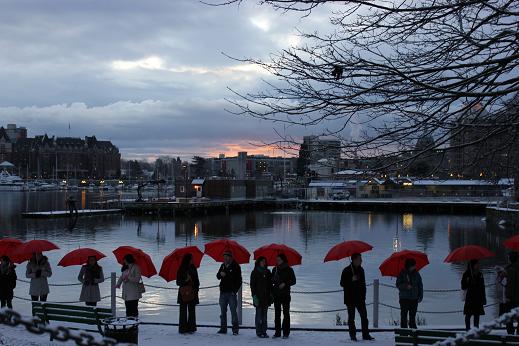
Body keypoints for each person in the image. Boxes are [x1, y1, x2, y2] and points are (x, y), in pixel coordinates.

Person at [340, 253, 374, 341]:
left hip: (360, 298)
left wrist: (364, 296)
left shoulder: (361, 270)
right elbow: (342, 283)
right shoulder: (346, 270)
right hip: (350, 298)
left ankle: (365, 334)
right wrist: (351, 279)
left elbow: (363, 284)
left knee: (364, 317)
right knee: (351, 318)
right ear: (354, 260)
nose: (361, 261)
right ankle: (353, 335)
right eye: (360, 259)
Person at [216, 251, 242, 335]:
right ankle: (223, 329)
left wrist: (234, 291)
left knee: (233, 312)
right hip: (223, 292)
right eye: (224, 257)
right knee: (223, 312)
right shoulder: (222, 265)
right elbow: (217, 276)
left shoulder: (236, 266)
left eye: (226, 257)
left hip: (231, 293)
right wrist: (220, 274)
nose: (225, 258)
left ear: (231, 257)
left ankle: (235, 329)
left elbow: (239, 281)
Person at [272, 253, 296, 339]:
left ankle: (286, 333)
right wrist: (274, 279)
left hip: (285, 294)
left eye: (279, 260)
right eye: (277, 260)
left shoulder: (289, 269)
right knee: (276, 314)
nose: (277, 261)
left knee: (286, 314)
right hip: (277, 294)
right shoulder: (274, 269)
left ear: (283, 260)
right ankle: (277, 332)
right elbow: (272, 281)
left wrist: (285, 284)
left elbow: (293, 281)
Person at [396, 258, 423, 329]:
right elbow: (398, 284)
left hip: (414, 298)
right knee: (403, 316)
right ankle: (404, 333)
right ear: (408, 266)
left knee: (412, 317)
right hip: (404, 298)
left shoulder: (417, 274)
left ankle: (413, 333)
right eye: (413, 266)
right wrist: (405, 286)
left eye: (414, 265)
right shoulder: (402, 273)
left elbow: (420, 285)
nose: (414, 267)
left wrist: (420, 296)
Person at [176, 253, 200, 334]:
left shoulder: (193, 268)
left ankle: (191, 328)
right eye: (191, 259)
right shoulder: (181, 269)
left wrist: (196, 289)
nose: (192, 260)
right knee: (183, 311)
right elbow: (178, 282)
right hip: (183, 293)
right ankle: (183, 329)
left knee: (192, 311)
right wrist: (186, 280)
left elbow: (197, 280)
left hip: (192, 291)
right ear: (188, 260)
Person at [250, 256, 272, 338]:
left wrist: (271, 295)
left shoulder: (268, 272)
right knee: (258, 315)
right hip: (258, 297)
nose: (263, 262)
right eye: (262, 261)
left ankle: (264, 331)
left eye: (264, 261)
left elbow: (270, 284)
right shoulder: (254, 272)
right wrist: (254, 296)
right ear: (258, 262)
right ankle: (258, 332)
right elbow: (252, 286)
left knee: (265, 316)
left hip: (266, 298)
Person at [461, 259, 486, 331]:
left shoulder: (480, 274)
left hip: (478, 297)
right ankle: (468, 330)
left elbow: (482, 287)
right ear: (472, 265)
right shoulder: (466, 274)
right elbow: (463, 287)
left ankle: (476, 329)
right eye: (476, 264)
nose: (478, 265)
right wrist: (467, 281)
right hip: (470, 297)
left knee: (477, 315)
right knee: (468, 315)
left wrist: (484, 298)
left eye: (478, 264)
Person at [505, 251, 519, 335]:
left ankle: (510, 332)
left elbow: (510, 284)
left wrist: (507, 296)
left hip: (512, 298)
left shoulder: (510, 270)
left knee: (508, 315)